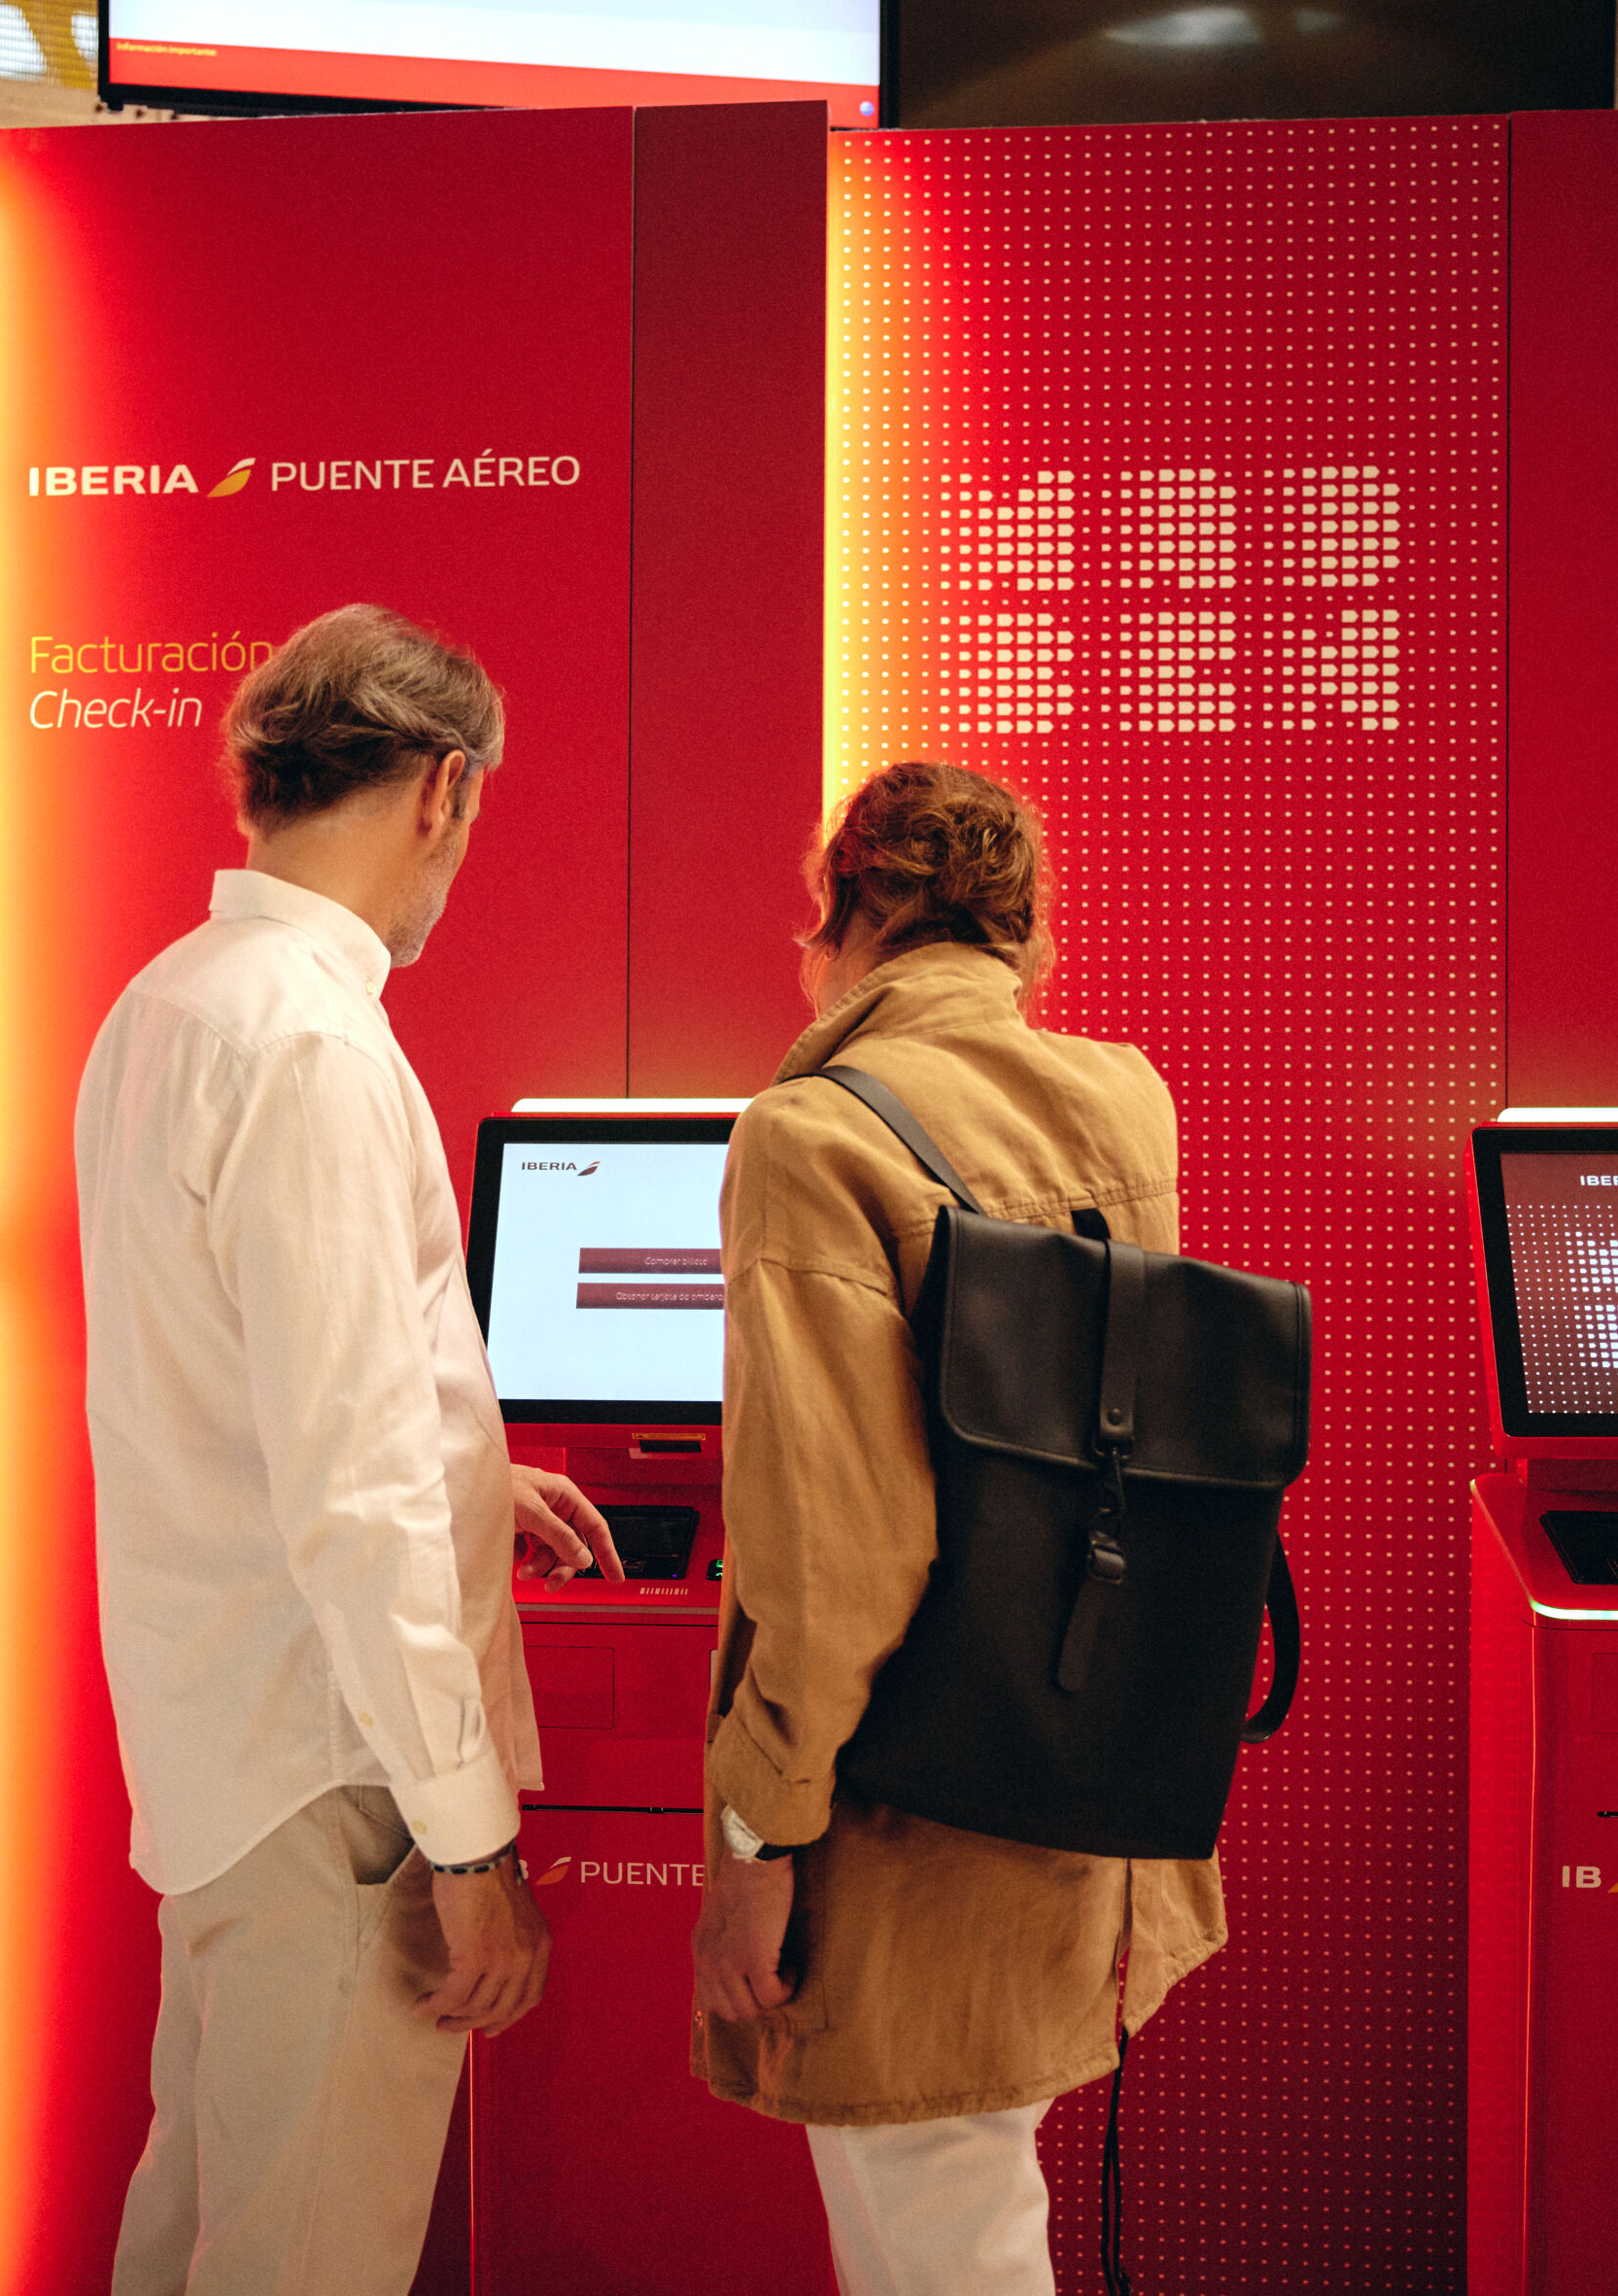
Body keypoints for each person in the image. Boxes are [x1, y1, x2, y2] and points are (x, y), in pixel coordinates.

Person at [77, 603, 624, 2295]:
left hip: (223, 1745)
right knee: (304, 2259)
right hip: (335, 1771)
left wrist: (472, 1473)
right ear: (444, 788)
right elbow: (353, 1490)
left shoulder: (171, 1003)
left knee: (203, 2234)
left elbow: (267, 1398)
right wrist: (469, 1848)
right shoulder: (312, 1040)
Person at [688, 761, 1227, 2295]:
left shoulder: (808, 1137)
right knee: (980, 2200)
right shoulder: (1125, 1096)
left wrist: (755, 1835)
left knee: (934, 2227)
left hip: (902, 1813)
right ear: (1021, 931)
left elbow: (838, 1552)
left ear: (845, 914)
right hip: (1083, 1774)